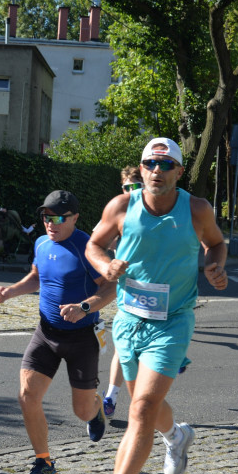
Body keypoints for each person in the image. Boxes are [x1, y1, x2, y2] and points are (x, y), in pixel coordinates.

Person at [80, 137, 228, 474]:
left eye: (165, 165)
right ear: (141, 169)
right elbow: (93, 245)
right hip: (129, 318)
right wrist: (106, 265)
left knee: (141, 408)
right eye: (150, 164)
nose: (157, 171)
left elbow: (215, 243)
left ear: (180, 172)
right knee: (146, 404)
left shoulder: (196, 209)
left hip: (173, 320)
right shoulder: (122, 207)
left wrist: (215, 266)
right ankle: (177, 436)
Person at [0, 190, 113, 474]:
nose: (51, 223)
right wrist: (12, 291)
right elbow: (37, 276)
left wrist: (84, 307)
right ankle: (44, 463)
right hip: (46, 333)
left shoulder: (88, 248)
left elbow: (111, 288)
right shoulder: (41, 242)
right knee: (27, 396)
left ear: (74, 218)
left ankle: (96, 408)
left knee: (82, 411)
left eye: (59, 217)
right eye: (46, 216)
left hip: (82, 338)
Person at [102, 166, 143, 418]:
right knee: (123, 347)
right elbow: (96, 244)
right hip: (127, 290)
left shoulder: (156, 211)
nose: (129, 192)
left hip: (157, 290)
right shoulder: (117, 210)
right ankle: (111, 396)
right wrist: (108, 265)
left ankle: (144, 402)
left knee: (147, 351)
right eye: (125, 187)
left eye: (134, 187)